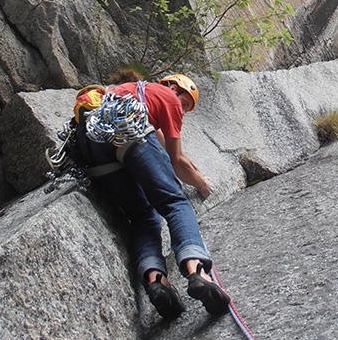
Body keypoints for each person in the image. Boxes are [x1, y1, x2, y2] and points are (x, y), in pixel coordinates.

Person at [79, 70, 230, 321]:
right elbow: (177, 161)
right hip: (125, 128)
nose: (181, 110)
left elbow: (160, 151)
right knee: (175, 203)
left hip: (91, 145)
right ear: (173, 87)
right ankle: (199, 274)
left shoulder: (127, 95)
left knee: (142, 217)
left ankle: (157, 281)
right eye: (183, 103)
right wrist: (203, 184)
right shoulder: (165, 97)